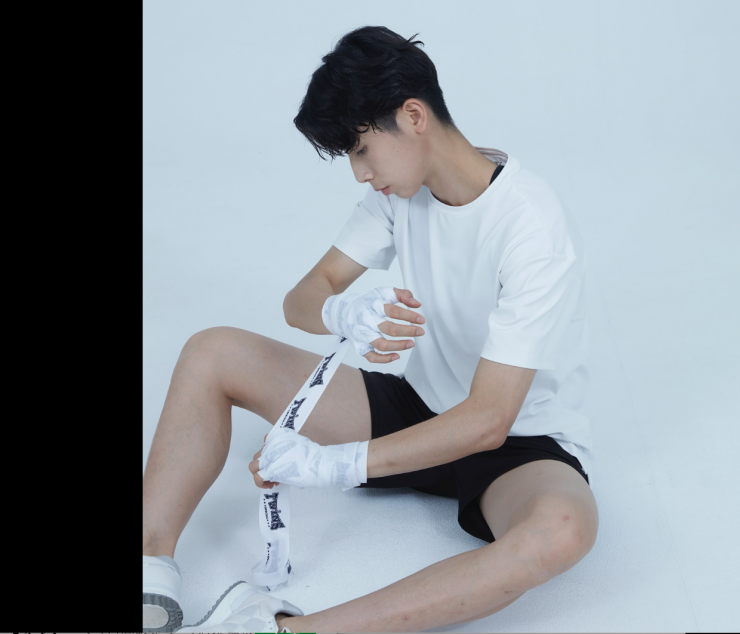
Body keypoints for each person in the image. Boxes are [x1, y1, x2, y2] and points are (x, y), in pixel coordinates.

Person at [143, 24, 598, 633]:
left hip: (517, 445)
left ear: (413, 116)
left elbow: (490, 419)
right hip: (415, 411)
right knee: (212, 351)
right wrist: (340, 310)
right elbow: (302, 298)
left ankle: (276, 629)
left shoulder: (531, 226)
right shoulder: (399, 193)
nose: (360, 173)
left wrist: (332, 464)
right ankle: (149, 567)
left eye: (361, 150)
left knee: (561, 532)